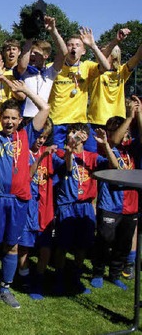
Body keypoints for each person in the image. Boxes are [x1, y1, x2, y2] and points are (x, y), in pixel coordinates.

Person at [0, 63, 50, 310]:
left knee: (12, 245)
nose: (10, 122)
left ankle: (5, 288)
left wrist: (27, 91)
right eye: (6, 117)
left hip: (19, 198)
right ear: (0, 119)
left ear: (19, 120)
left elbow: (45, 108)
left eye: (14, 118)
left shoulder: (26, 135)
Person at [51, 123, 107, 295]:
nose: (75, 136)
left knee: (82, 247)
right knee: (62, 245)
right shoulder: (60, 153)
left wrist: (105, 144)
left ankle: (75, 278)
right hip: (67, 205)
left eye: (79, 133)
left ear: (86, 137)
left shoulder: (92, 156)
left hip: (85, 206)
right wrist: (71, 146)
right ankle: (58, 279)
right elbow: (67, 165)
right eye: (72, 133)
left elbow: (113, 166)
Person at [90, 103, 141, 290]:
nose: (112, 134)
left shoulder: (132, 149)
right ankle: (97, 272)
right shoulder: (104, 146)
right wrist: (129, 117)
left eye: (116, 130)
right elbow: (115, 165)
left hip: (131, 205)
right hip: (110, 203)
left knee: (124, 243)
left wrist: (138, 114)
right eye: (110, 130)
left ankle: (115, 273)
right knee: (104, 240)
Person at [48, 27, 111, 152]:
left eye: (77, 45)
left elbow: (106, 67)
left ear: (83, 51)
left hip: (80, 123)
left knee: (88, 156)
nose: (73, 47)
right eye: (70, 45)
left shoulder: (87, 67)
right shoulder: (53, 67)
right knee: (59, 159)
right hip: (57, 122)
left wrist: (93, 45)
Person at [16, 118, 56, 300]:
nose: (40, 140)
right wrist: (41, 157)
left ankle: (39, 278)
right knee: (24, 246)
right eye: (39, 136)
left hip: (44, 206)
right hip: (27, 205)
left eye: (44, 137)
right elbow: (27, 176)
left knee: (45, 246)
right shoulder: (22, 153)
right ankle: (23, 277)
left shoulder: (49, 153)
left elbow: (67, 165)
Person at [16, 16, 66, 119]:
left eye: (36, 52)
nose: (32, 55)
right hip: (24, 118)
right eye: (31, 52)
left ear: (45, 56)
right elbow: (22, 65)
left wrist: (53, 30)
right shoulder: (24, 71)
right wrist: (30, 36)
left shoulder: (50, 72)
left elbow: (63, 53)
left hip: (43, 118)